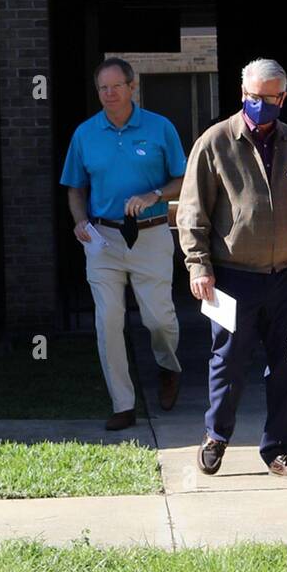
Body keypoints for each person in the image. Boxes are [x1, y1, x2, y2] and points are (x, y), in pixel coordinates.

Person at [177, 58, 287, 479]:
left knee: (285, 365)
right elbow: (193, 214)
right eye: (253, 97)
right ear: (241, 93)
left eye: (269, 97)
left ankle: (280, 450)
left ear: (283, 98)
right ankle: (217, 436)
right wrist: (199, 267)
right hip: (232, 276)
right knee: (228, 362)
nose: (260, 104)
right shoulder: (215, 142)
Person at [61, 57, 188, 430]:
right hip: (105, 240)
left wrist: (153, 195)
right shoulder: (85, 134)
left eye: (117, 86)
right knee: (108, 319)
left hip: (150, 234)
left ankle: (168, 367)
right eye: (103, 88)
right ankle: (123, 403)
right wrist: (80, 221)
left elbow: (182, 180)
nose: (109, 94)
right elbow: (74, 188)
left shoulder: (160, 128)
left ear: (133, 87)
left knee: (158, 318)